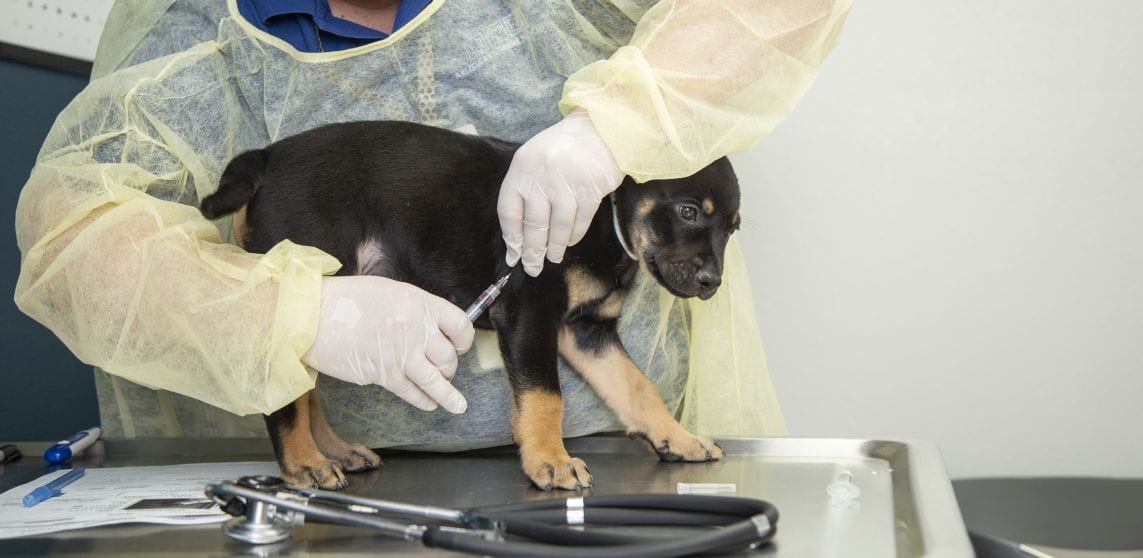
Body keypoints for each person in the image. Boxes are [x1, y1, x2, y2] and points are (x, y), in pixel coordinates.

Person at [14, 0, 851, 449]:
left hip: (606, 465)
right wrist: (294, 314)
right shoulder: (197, 34)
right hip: (326, 500)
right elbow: (68, 233)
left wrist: (613, 126)